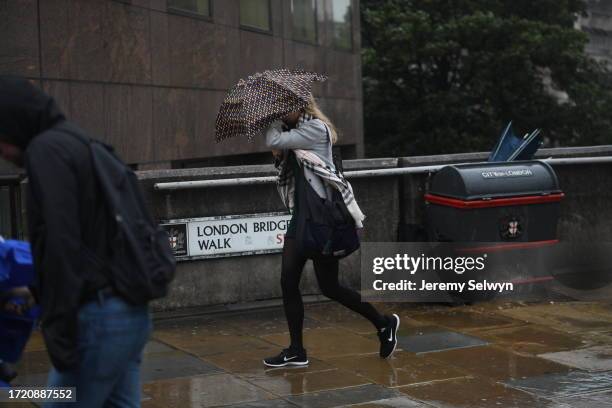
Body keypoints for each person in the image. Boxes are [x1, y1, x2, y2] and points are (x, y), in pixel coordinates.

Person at [0, 76, 151, 407]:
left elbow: (61, 243)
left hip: (97, 321)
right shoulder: (79, 141)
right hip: (129, 312)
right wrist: (34, 292)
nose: (1, 151)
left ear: (13, 125)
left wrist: (61, 334)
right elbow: (90, 240)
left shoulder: (45, 151)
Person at [263, 97, 400, 367]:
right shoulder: (293, 134)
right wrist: (280, 157)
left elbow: (273, 141)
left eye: (283, 107)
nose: (279, 112)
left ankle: (384, 324)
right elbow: (283, 159)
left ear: (299, 107)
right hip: (300, 219)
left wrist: (270, 126)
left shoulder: (315, 129)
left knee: (331, 287)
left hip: (321, 221)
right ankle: (296, 350)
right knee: (288, 282)